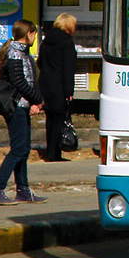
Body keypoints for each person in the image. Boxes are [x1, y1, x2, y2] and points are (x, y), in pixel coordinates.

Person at [0, 19, 47, 206]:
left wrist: (35, 100)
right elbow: (19, 82)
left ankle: (23, 190)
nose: (35, 37)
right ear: (28, 33)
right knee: (19, 149)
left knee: (24, 149)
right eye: (34, 33)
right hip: (15, 107)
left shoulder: (22, 52)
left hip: (23, 106)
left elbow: (29, 80)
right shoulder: (15, 54)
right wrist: (37, 99)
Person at [39, 14, 77, 162]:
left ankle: (50, 151)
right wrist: (69, 92)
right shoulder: (67, 43)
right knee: (60, 118)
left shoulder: (46, 41)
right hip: (59, 86)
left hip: (46, 84)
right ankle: (55, 154)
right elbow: (68, 70)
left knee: (50, 119)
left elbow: (40, 63)